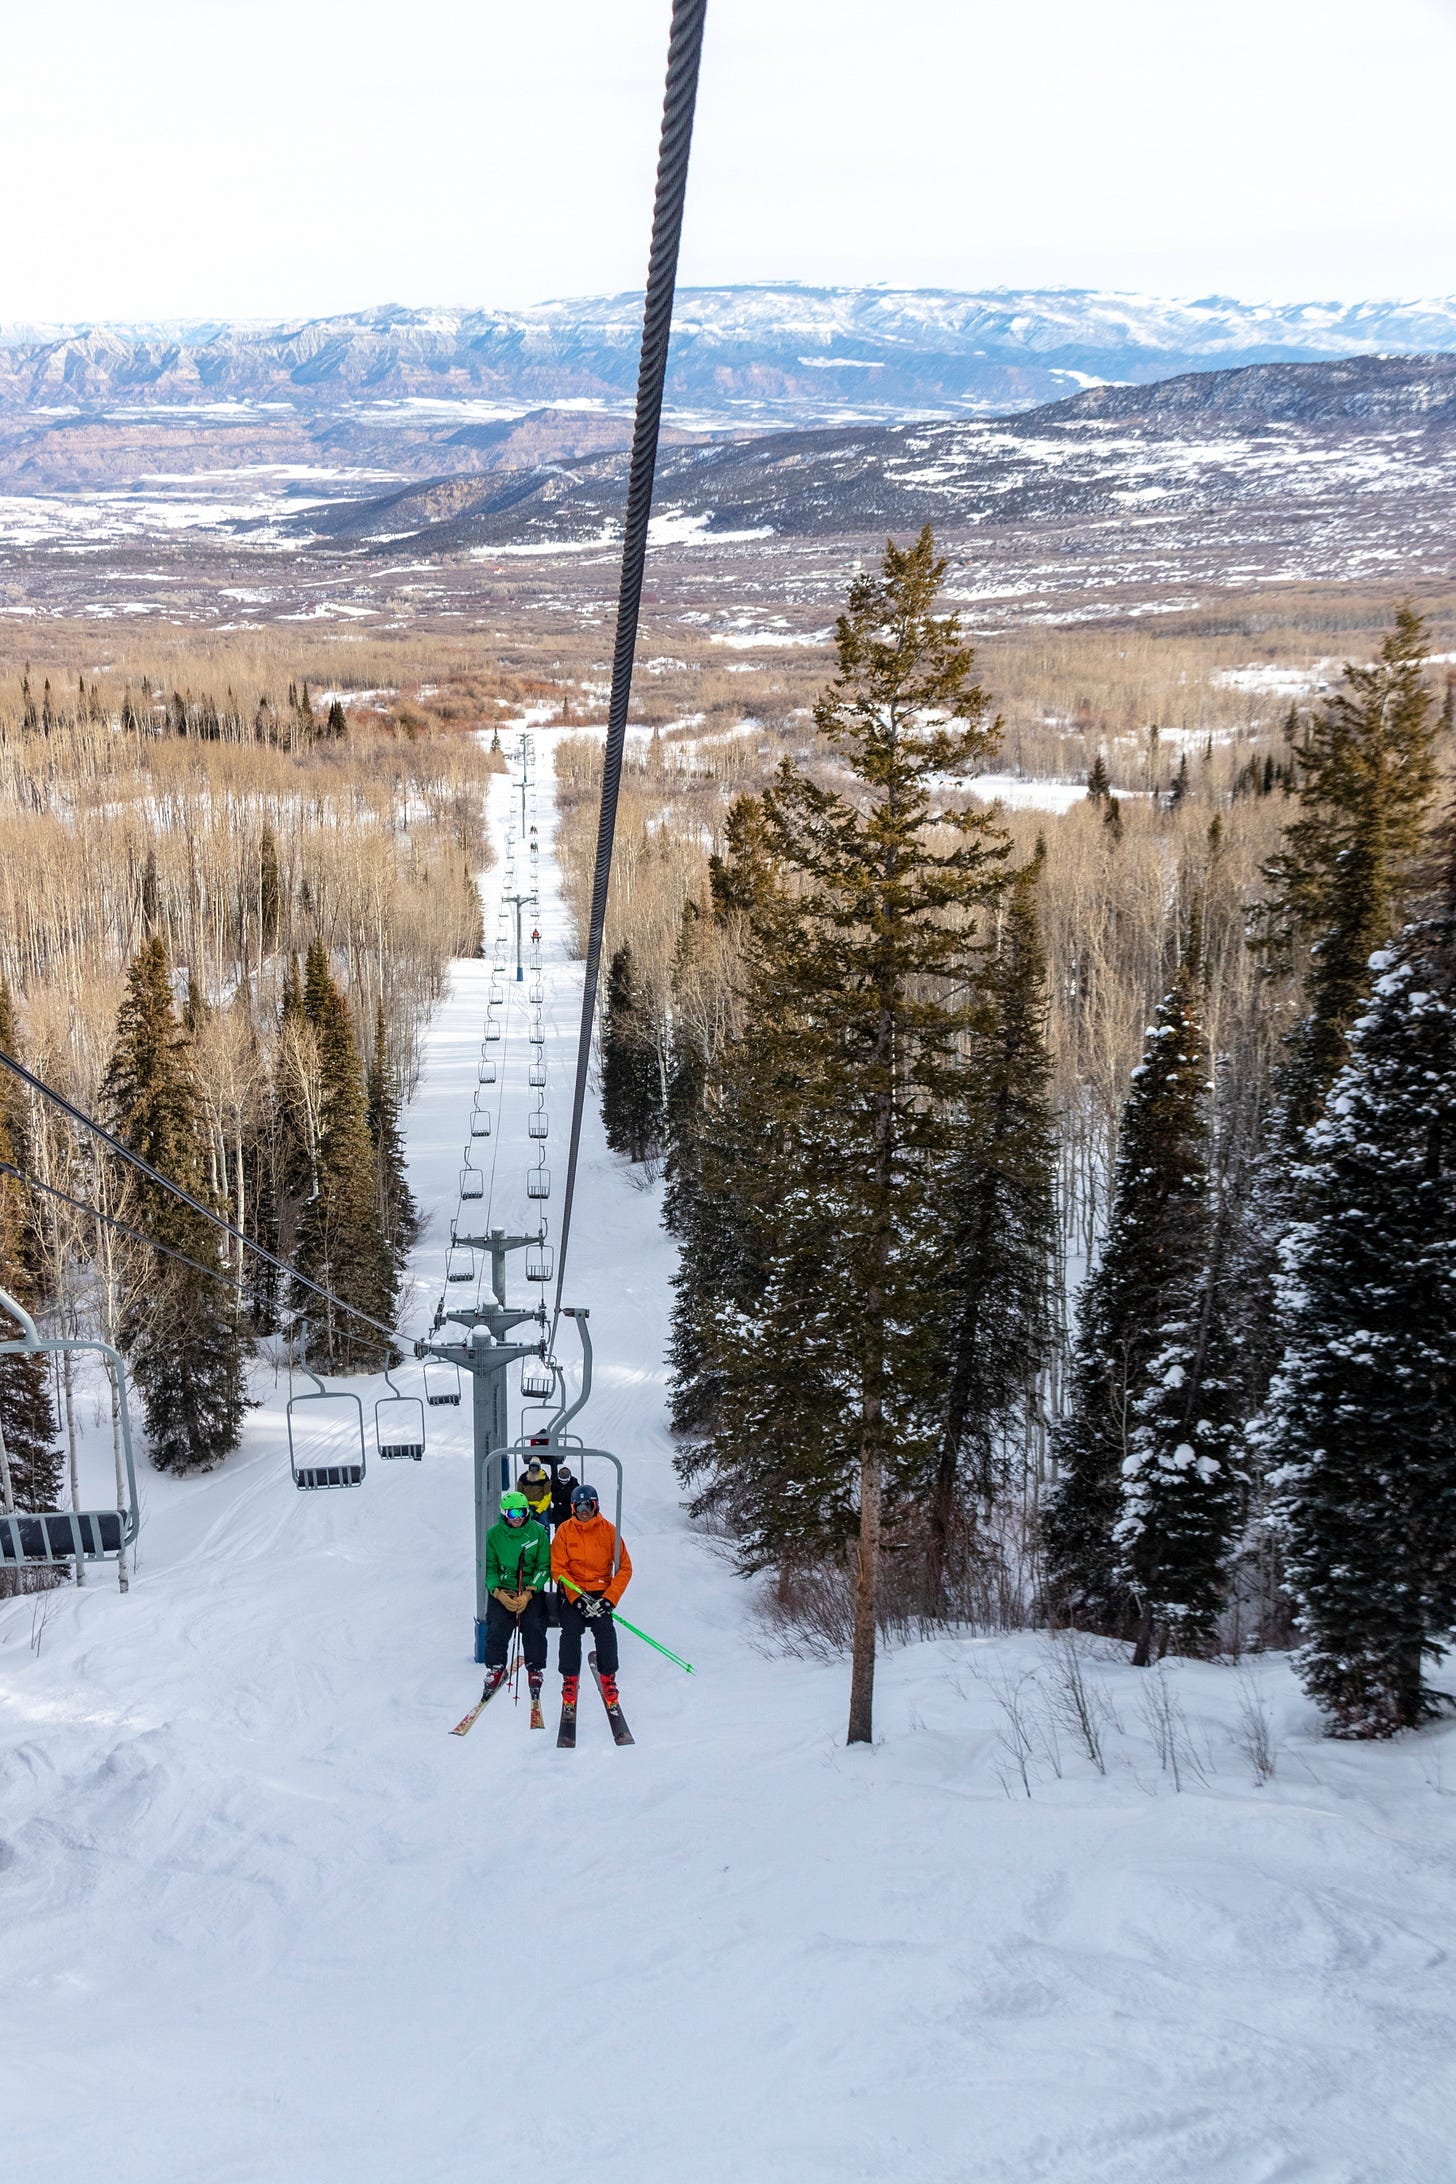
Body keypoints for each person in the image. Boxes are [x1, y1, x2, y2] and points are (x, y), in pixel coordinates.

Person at [550, 1481, 632, 1711]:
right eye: (580, 1506)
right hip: (575, 1591)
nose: (584, 1511)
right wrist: (576, 1598)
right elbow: (558, 1569)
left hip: (600, 1591)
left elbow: (624, 1568)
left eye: (589, 1505)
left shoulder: (609, 1532)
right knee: (570, 1630)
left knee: (605, 1629)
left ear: (596, 1506)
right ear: (573, 1508)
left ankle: (608, 1677)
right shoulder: (564, 1531)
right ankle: (570, 1679)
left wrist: (609, 1599)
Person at [481, 1489, 551, 1707]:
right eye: (512, 1514)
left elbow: (543, 1566)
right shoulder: (494, 1535)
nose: (518, 1517)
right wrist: (497, 1592)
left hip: (528, 1589)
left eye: (521, 1512)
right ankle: (496, 1666)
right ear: (504, 1514)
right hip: (505, 1588)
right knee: (497, 1625)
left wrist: (530, 1592)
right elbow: (490, 1568)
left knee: (534, 1625)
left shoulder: (538, 1532)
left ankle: (535, 1667)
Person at [516, 1453, 552, 1523]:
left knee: (544, 1524)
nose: (533, 1470)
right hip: (527, 1506)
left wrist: (538, 1510)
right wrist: (525, 1506)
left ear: (539, 1468)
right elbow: (519, 1494)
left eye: (535, 1468)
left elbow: (547, 1496)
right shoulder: (523, 1477)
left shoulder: (544, 1478)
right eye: (532, 1467)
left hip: (541, 1506)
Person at [547, 1458, 578, 1530]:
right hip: (559, 1507)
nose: (563, 1483)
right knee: (559, 1525)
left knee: (572, 1525)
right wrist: (558, 1504)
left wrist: (570, 1505)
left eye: (565, 1481)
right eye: (561, 1481)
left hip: (570, 1507)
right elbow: (552, 1495)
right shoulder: (555, 1482)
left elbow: (576, 1495)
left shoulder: (574, 1483)